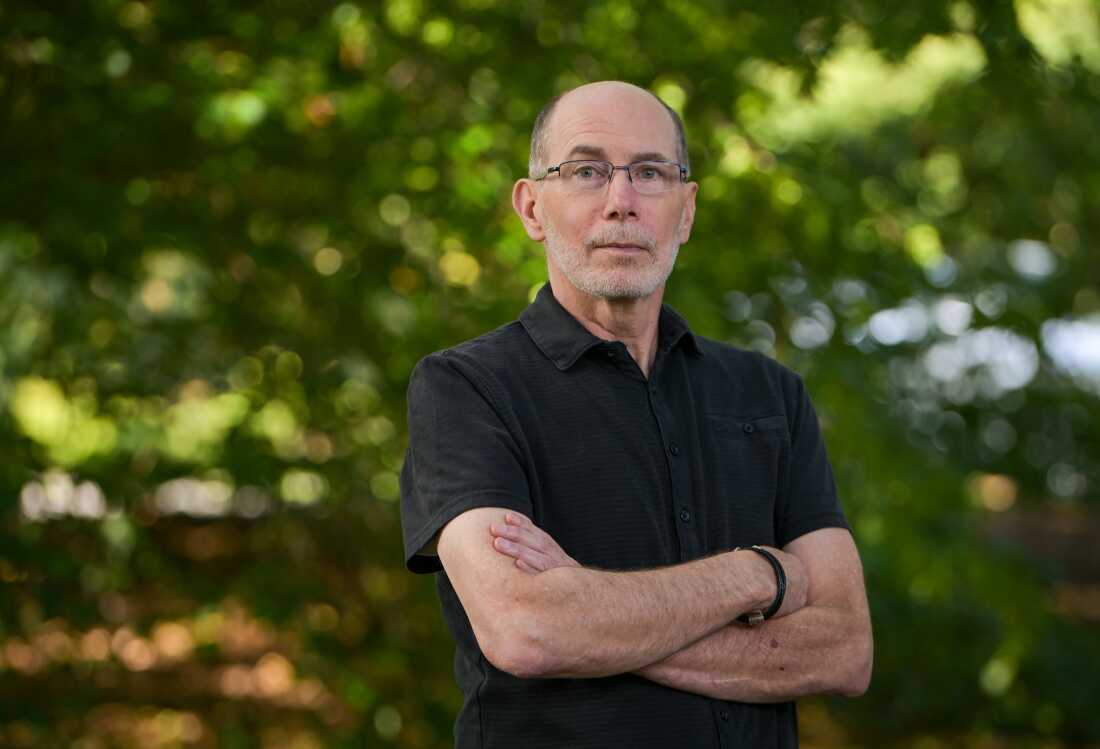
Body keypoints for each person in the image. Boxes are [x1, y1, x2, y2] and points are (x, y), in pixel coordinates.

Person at [399, 80, 872, 748]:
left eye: (650, 172)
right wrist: (758, 574)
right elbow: (526, 631)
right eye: (587, 171)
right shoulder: (466, 388)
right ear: (532, 207)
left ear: (685, 211)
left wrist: (589, 617)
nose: (621, 202)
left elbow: (846, 649)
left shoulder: (770, 394)